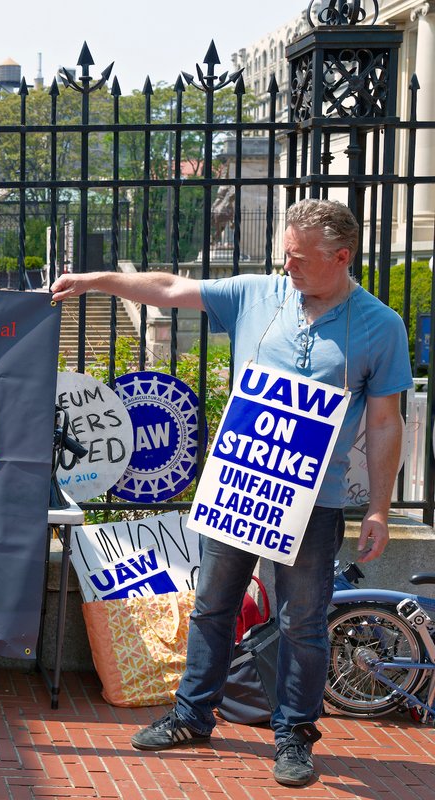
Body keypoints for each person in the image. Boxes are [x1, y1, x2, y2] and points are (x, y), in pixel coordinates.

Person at [50, 199, 411, 787]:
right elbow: (169, 287)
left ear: (340, 257)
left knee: (303, 621)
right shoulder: (257, 294)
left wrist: (378, 508)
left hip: (314, 502)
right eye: (283, 255)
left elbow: (386, 421)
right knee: (212, 605)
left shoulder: (380, 326)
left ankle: (294, 734)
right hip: (239, 486)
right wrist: (97, 279)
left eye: (296, 258)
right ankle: (193, 714)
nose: (285, 266)